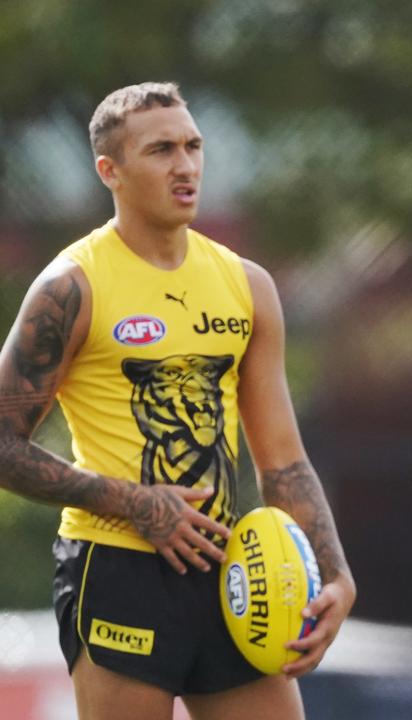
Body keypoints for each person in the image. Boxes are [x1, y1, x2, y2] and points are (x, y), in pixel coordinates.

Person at [0, 82, 356, 719]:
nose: (186, 165)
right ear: (109, 170)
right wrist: (135, 502)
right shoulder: (70, 286)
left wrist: (333, 572)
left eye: (193, 146)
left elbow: (282, 460)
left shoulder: (247, 285)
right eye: (161, 149)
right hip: (117, 570)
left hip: (235, 567)